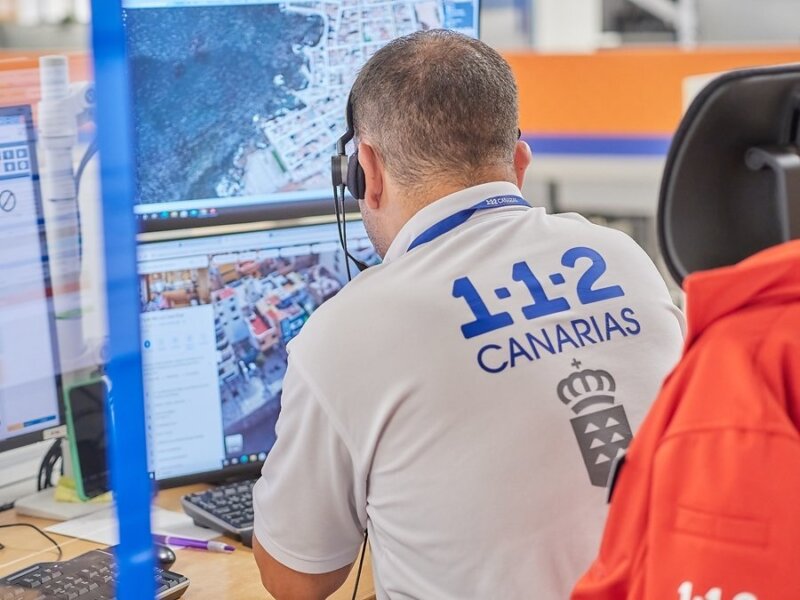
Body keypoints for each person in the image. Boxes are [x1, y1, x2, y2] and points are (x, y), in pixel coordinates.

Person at [252, 30, 685, 600]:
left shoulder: (347, 330)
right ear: (520, 162)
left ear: (366, 171)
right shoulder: (621, 257)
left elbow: (297, 577)